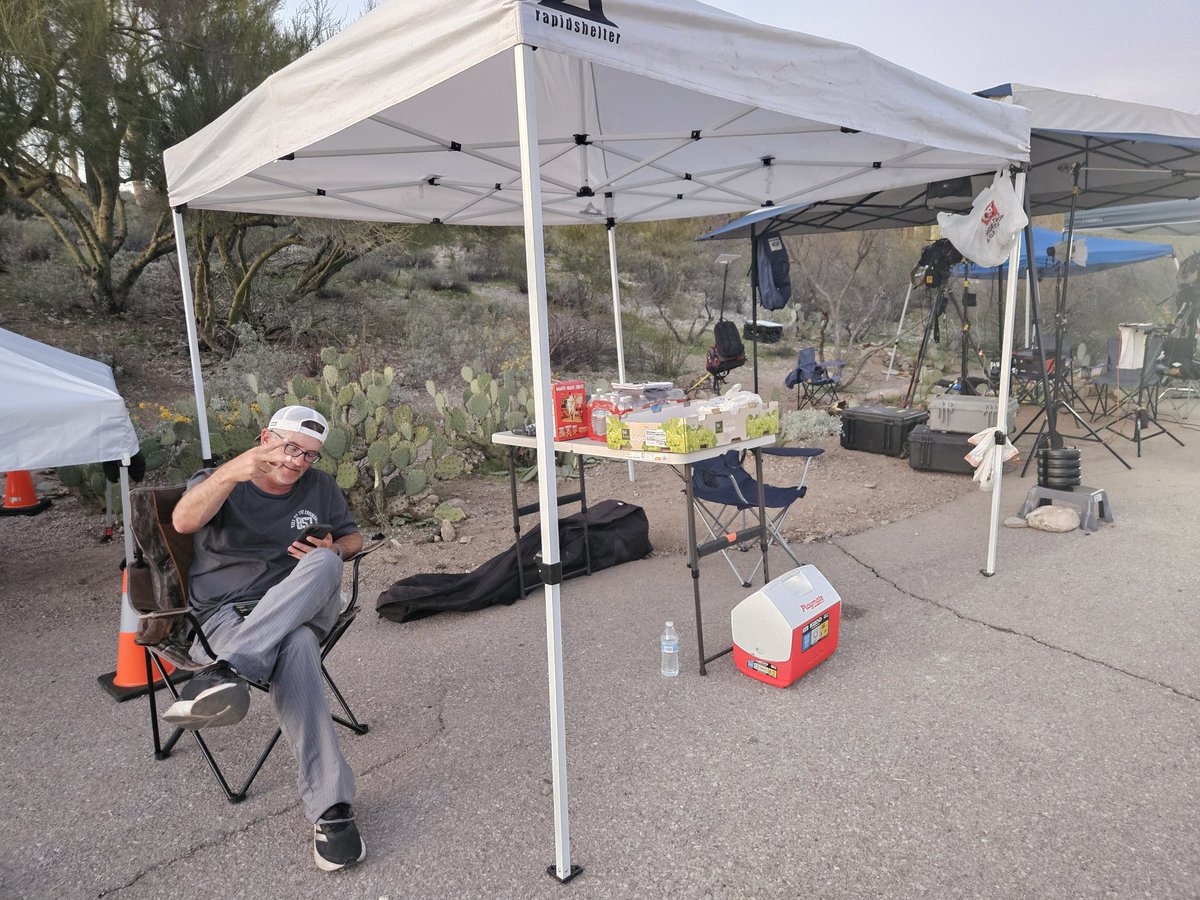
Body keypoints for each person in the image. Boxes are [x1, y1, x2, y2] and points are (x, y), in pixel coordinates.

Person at [162, 405, 367, 872]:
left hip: (303, 602)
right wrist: (231, 472)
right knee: (294, 645)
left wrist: (333, 547)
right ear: (264, 437)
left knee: (326, 564)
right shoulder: (219, 480)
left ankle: (228, 670)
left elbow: (353, 539)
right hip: (228, 615)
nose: (297, 462)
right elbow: (183, 523)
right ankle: (331, 808)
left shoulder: (321, 488)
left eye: (309, 455)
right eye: (290, 448)